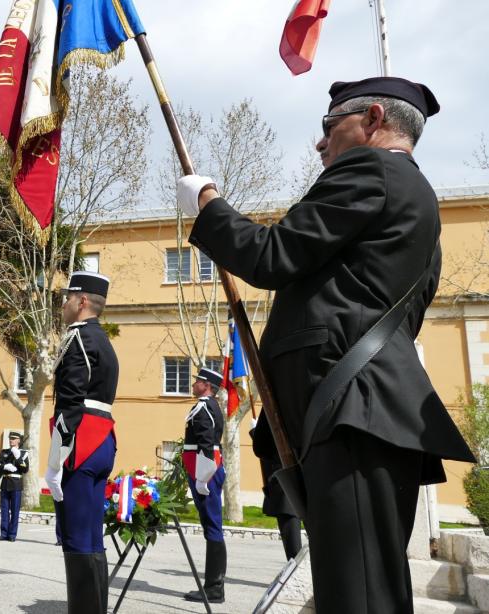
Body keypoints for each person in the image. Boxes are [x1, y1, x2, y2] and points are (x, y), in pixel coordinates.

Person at [177, 76, 475, 614]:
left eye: (329, 125)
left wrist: (208, 205)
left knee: (357, 597)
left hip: (351, 416)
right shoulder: (419, 210)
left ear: (374, 119)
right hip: (363, 414)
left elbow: (272, 256)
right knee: (366, 590)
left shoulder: (372, 169)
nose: (320, 142)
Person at [45, 271, 118, 613]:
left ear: (82, 301)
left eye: (68, 298)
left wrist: (55, 461)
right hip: (102, 440)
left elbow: (70, 404)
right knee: (91, 536)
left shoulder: (77, 339)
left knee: (75, 536)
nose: (64, 304)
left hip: (80, 443)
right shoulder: (102, 339)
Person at [181, 368, 226, 603]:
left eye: (197, 381)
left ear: (207, 385)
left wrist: (203, 477)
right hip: (202, 469)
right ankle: (213, 586)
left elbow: (207, 444)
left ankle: (214, 589)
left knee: (212, 526)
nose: (194, 384)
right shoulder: (208, 406)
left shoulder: (205, 407)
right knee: (211, 525)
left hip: (204, 471)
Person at [249, 421, 302, 561]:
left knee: (292, 540)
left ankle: (295, 570)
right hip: (311, 470)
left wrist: (255, 431)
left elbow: (262, 446)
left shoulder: (273, 401)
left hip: (285, 475)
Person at [0, 432, 29, 541]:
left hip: (16, 483)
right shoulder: (5, 452)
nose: (11, 440)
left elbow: (25, 468)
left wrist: (18, 456)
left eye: (14, 439)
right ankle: (4, 534)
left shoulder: (23, 453)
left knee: (14, 511)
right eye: (10, 439)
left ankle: (12, 535)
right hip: (5, 482)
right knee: (4, 510)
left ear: (19, 441)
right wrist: (5, 466)